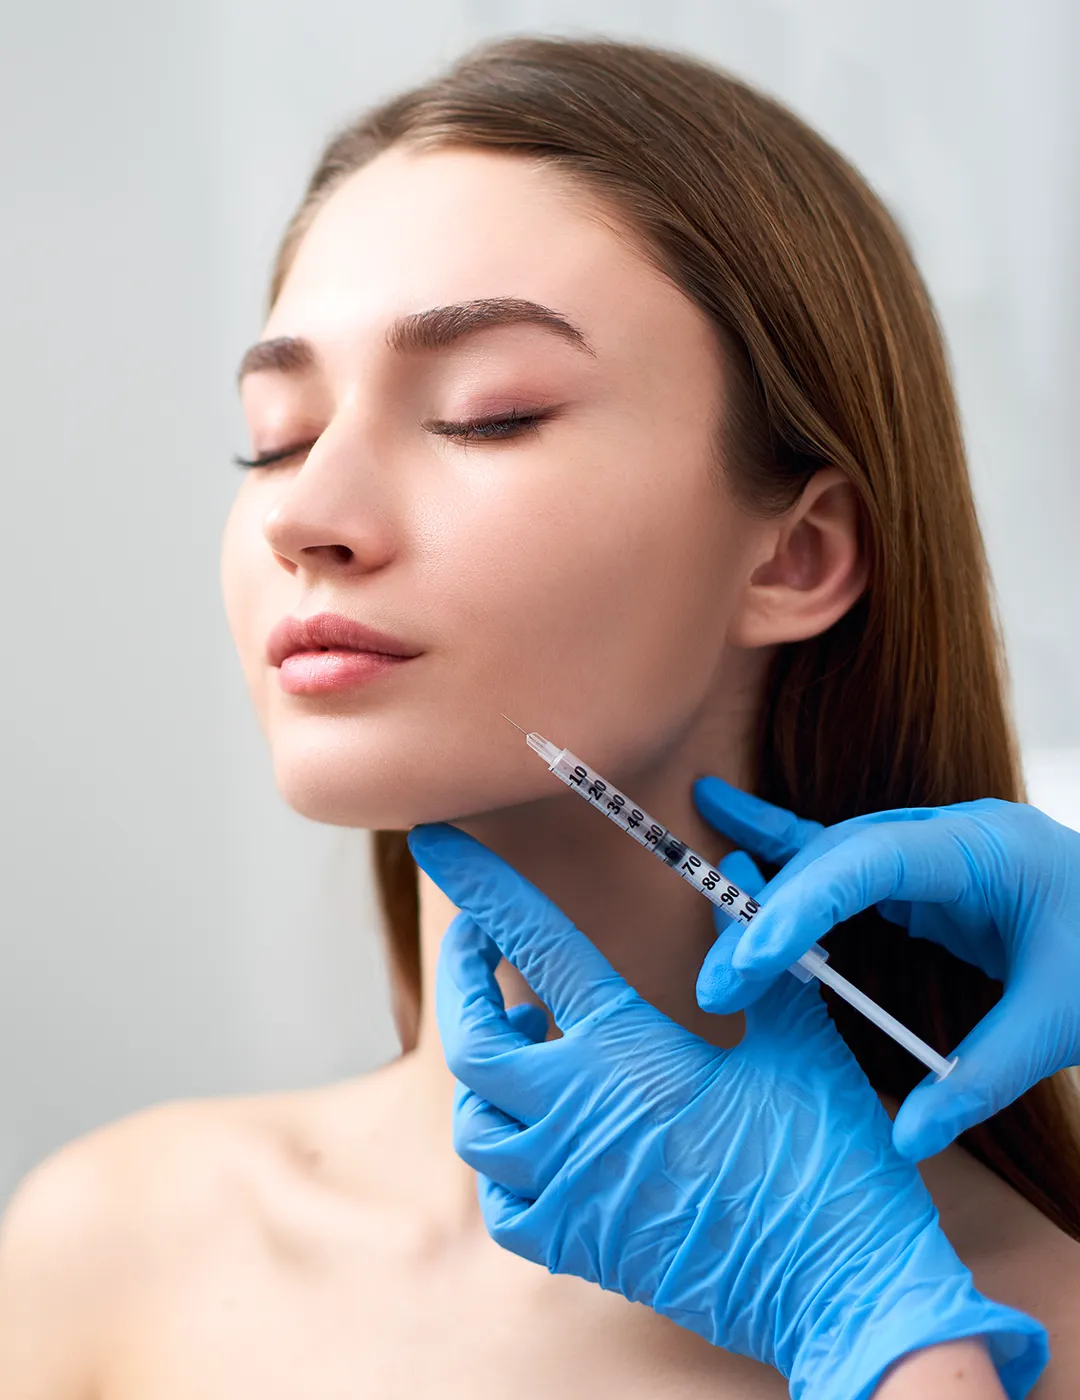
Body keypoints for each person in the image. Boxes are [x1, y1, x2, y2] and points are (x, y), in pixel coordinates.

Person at [0, 32, 1077, 1399]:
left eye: (485, 416)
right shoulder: (112, 1249)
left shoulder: (1007, 1320)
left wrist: (868, 1335)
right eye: (273, 436)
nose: (305, 517)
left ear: (792, 556)